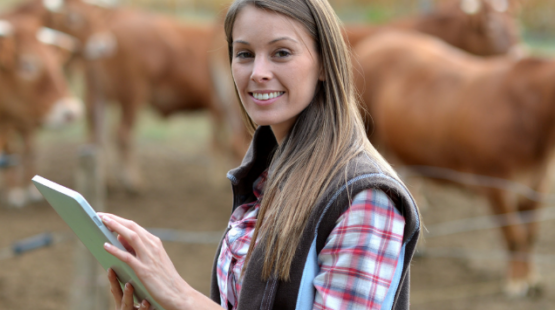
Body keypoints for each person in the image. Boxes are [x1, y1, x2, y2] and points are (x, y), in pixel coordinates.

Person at [98, 0, 421, 309]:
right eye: (244, 54)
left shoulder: (362, 197)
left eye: (281, 53)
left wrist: (181, 296)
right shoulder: (266, 173)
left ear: (324, 64)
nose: (258, 72)